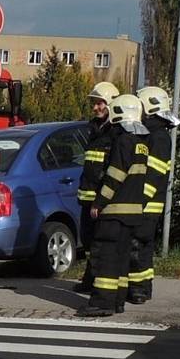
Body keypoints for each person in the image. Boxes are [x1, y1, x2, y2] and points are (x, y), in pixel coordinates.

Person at [78, 94, 150, 317]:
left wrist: (99, 202)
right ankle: (118, 301)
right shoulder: (140, 144)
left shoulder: (122, 141)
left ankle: (102, 303)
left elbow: (114, 176)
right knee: (121, 258)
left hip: (114, 212)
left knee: (106, 257)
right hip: (132, 214)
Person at [127, 86, 178, 304]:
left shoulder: (157, 137)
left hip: (146, 205)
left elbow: (154, 174)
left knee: (137, 246)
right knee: (143, 247)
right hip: (148, 204)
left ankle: (139, 290)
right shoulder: (155, 134)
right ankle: (142, 288)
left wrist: (139, 200)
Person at [73, 81, 120, 293]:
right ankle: (90, 279)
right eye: (94, 104)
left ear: (110, 103)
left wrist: (102, 198)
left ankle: (98, 282)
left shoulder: (116, 131)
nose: (95, 108)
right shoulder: (93, 128)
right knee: (89, 241)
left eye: (100, 103)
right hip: (88, 197)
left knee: (100, 243)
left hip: (104, 198)